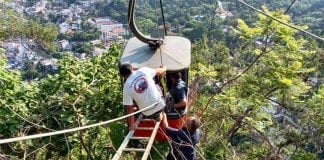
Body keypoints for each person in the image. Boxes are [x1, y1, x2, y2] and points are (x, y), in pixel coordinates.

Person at [119, 63, 168, 130]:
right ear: (132, 68)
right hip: (160, 104)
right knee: (156, 86)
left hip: (146, 112)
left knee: (134, 99)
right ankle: (160, 113)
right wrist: (164, 68)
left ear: (123, 76)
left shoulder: (126, 87)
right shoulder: (143, 70)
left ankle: (157, 114)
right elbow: (159, 71)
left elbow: (129, 108)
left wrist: (131, 125)